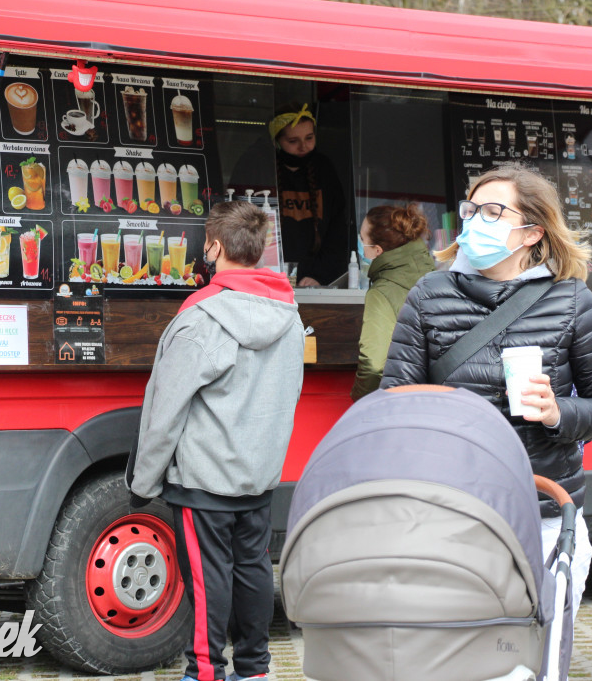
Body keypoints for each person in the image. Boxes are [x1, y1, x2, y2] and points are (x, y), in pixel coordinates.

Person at [380, 163, 592, 620]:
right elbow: (394, 401)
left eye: (493, 212)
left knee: (539, 645)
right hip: (453, 510)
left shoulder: (571, 300)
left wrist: (557, 413)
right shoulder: (428, 294)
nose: (477, 221)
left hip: (543, 512)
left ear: (532, 232)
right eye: (472, 210)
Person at [128, 201, 305, 681]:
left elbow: (166, 409)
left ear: (215, 246)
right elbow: (289, 392)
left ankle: (205, 672)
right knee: (253, 571)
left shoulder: (202, 317)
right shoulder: (289, 315)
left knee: (208, 581)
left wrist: (143, 482)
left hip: (203, 478)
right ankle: (254, 670)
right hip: (258, 475)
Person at [351, 203, 435, 400]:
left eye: (362, 240)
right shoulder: (437, 276)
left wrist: (360, 402)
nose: (360, 245)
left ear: (377, 250)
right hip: (443, 398)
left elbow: (373, 365)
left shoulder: (382, 292)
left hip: (404, 401)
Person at [269, 103, 351, 287]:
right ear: (276, 142)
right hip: (269, 277)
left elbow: (337, 233)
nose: (303, 147)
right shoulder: (261, 167)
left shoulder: (325, 170)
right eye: (293, 141)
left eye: (309, 138)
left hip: (315, 281)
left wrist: (319, 275)